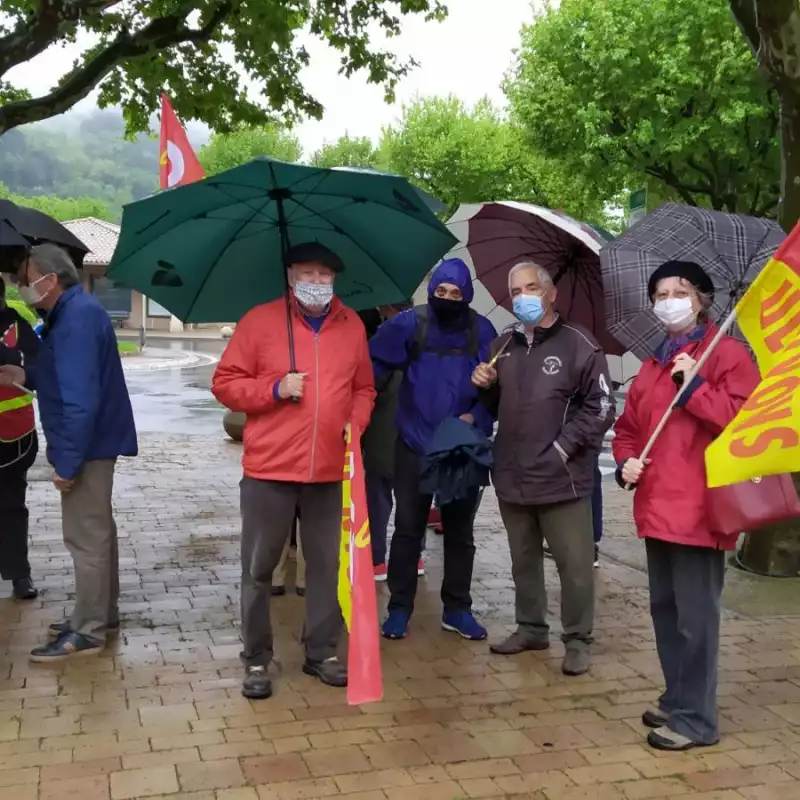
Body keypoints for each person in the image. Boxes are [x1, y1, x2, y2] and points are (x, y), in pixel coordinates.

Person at [212, 241, 375, 700]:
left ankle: (321, 652)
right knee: (259, 569)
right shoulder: (259, 321)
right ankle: (256, 658)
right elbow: (225, 383)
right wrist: (274, 389)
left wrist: (355, 422)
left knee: (327, 567)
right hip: (270, 469)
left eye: (325, 275)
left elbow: (364, 388)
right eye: (308, 274)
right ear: (290, 277)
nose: (317, 283)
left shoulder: (352, 325)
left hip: (329, 470)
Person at [612, 260, 759, 752]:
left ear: (702, 300)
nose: (669, 301)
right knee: (666, 613)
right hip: (656, 509)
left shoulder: (727, 356)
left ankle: (697, 720)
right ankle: (678, 698)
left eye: (680, 292)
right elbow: (629, 429)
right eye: (661, 294)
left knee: (696, 622)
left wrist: (694, 386)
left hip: (700, 511)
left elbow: (741, 425)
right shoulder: (653, 364)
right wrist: (626, 462)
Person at [472, 261, 613, 677]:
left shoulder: (580, 344)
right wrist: (484, 386)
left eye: (531, 288)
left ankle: (578, 639)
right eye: (516, 291)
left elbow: (602, 407)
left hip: (561, 478)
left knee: (574, 565)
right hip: (512, 473)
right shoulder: (503, 345)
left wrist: (563, 448)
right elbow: (492, 408)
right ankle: (531, 627)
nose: (523, 297)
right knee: (523, 561)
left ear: (551, 294)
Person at [0, 244, 138, 662]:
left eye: (26, 280)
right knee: (98, 533)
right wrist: (25, 374)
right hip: (94, 443)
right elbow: (63, 375)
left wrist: (67, 463)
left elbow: (80, 401)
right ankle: (100, 614)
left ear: (50, 279)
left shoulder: (76, 318)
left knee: (85, 538)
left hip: (88, 446)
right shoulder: (72, 313)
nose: (21, 287)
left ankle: (88, 631)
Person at [369, 258, 497, 641]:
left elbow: (500, 390)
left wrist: (479, 410)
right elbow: (372, 365)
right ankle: (398, 608)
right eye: (441, 291)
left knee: (460, 532)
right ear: (431, 291)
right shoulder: (410, 323)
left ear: (467, 295)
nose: (447, 298)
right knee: (408, 529)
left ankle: (457, 609)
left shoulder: (482, 330)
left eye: (456, 293)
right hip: (414, 442)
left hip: (460, 446)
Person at [360, 303, 410, 581]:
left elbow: (368, 386)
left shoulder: (381, 344)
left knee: (377, 503)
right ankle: (414, 557)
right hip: (413, 438)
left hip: (381, 436)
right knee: (411, 503)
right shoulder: (425, 341)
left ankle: (376, 559)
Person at [0, 277, 40, 600]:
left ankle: (18, 573)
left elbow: (37, 364)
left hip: (13, 437)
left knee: (12, 506)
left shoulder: (15, 324)